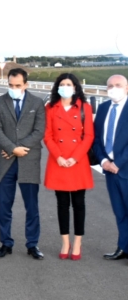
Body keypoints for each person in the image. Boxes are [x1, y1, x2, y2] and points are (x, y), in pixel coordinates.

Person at [0, 68, 46, 260]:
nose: (14, 88)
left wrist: (17, 148)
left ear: (26, 84)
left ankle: (32, 244)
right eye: (11, 85)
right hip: (4, 162)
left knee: (32, 206)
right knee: (5, 206)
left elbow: (39, 131)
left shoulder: (37, 103)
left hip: (28, 161)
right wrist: (13, 149)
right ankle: (6, 243)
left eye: (18, 85)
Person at [43, 73, 94, 261]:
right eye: (62, 84)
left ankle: (78, 242)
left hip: (77, 161)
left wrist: (75, 157)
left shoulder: (85, 108)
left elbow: (88, 135)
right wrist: (58, 156)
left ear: (75, 87)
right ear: (57, 87)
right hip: (58, 161)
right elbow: (47, 135)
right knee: (62, 204)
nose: (65, 87)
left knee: (79, 204)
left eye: (69, 84)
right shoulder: (50, 108)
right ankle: (65, 241)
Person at [92, 74, 128, 261]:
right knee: (119, 211)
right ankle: (123, 247)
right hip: (109, 169)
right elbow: (97, 138)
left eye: (118, 85)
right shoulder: (104, 108)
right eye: (110, 86)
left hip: (125, 167)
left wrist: (118, 163)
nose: (113, 89)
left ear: (126, 88)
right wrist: (104, 161)